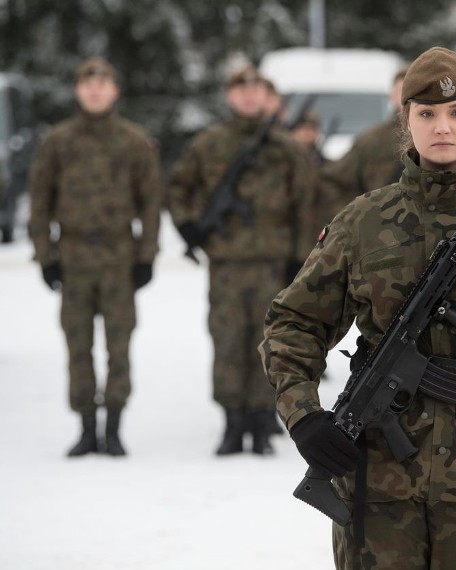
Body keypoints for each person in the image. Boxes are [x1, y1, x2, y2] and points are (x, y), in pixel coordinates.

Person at [260, 47, 456, 569]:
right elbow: (291, 326)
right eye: (426, 114)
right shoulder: (364, 220)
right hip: (378, 487)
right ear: (405, 121)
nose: (443, 127)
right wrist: (304, 417)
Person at [168, 65, 316, 456]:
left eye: (255, 90)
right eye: (240, 90)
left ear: (265, 96)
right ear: (230, 96)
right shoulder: (208, 144)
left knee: (270, 344)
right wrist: (187, 228)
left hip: (274, 263)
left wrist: (300, 260)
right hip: (228, 263)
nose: (248, 98)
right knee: (228, 340)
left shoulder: (286, 149)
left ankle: (261, 422)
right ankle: (232, 423)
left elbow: (306, 205)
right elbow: (178, 187)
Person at [27, 57, 162, 457]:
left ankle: (115, 426)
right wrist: (45, 255)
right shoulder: (57, 142)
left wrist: (146, 256)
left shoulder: (135, 141)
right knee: (78, 345)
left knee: (119, 346)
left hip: (119, 257)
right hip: (73, 257)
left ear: (114, 91)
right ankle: (87, 426)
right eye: (88, 84)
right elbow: (39, 203)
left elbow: (151, 203)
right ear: (78, 90)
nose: (96, 91)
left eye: (103, 84)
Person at [320, 64, 408, 210]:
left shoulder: (442, 135)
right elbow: (337, 180)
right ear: (391, 96)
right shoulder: (373, 140)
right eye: (402, 90)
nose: (408, 96)